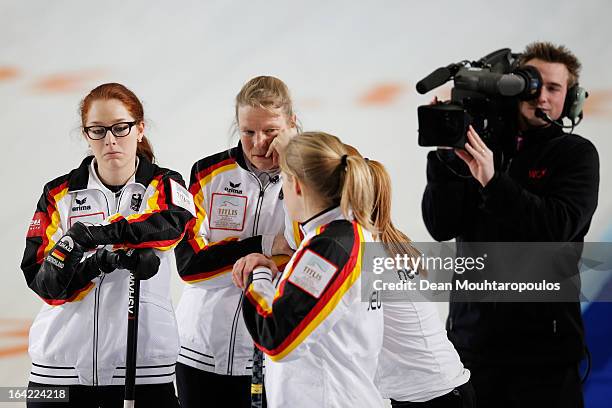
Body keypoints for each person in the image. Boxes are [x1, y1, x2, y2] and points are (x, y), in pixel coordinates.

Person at [422, 42, 600, 407]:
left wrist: (493, 181)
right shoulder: (480, 148)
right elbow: (441, 226)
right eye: (533, 85)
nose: (542, 97)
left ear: (571, 98)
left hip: (544, 357)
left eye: (554, 89)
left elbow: (553, 229)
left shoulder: (576, 155)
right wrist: (444, 160)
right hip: (472, 348)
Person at [21, 83, 196, 407]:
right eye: (98, 130)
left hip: (144, 366)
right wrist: (100, 261)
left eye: (120, 127)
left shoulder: (163, 183)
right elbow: (44, 281)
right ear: (86, 134)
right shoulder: (59, 193)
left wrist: (91, 235)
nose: (111, 140)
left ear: (139, 129)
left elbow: (172, 223)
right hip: (58, 367)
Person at [232, 131, 385, 408]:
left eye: (284, 183)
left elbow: (276, 335)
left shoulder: (328, 247)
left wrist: (260, 277)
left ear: (298, 186)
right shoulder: (344, 233)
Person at [174, 76, 297, 408]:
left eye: (271, 131)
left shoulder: (308, 179)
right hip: (198, 351)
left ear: (291, 125)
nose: (259, 143)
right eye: (248, 131)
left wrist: (293, 168)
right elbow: (190, 266)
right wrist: (265, 245)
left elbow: (304, 251)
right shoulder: (208, 173)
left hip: (270, 353)